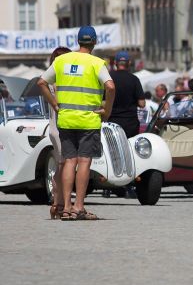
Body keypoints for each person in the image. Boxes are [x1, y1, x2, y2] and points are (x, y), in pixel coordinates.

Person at [38, 25, 115, 220]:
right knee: (84, 163)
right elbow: (111, 86)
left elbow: (41, 82)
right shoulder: (97, 63)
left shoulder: (62, 60)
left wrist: (55, 104)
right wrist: (107, 110)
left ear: (78, 41)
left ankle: (65, 208)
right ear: (95, 42)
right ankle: (79, 207)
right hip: (88, 120)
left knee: (68, 162)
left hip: (66, 119)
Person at [46, 46, 72, 219]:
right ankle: (60, 204)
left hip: (56, 127)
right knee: (63, 166)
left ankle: (58, 202)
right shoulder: (56, 80)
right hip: (59, 127)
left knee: (61, 166)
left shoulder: (50, 78)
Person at [108, 50, 146, 138]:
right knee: (130, 148)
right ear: (129, 63)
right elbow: (142, 104)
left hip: (112, 122)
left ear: (115, 63)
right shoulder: (134, 79)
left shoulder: (109, 78)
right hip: (131, 123)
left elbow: (103, 101)